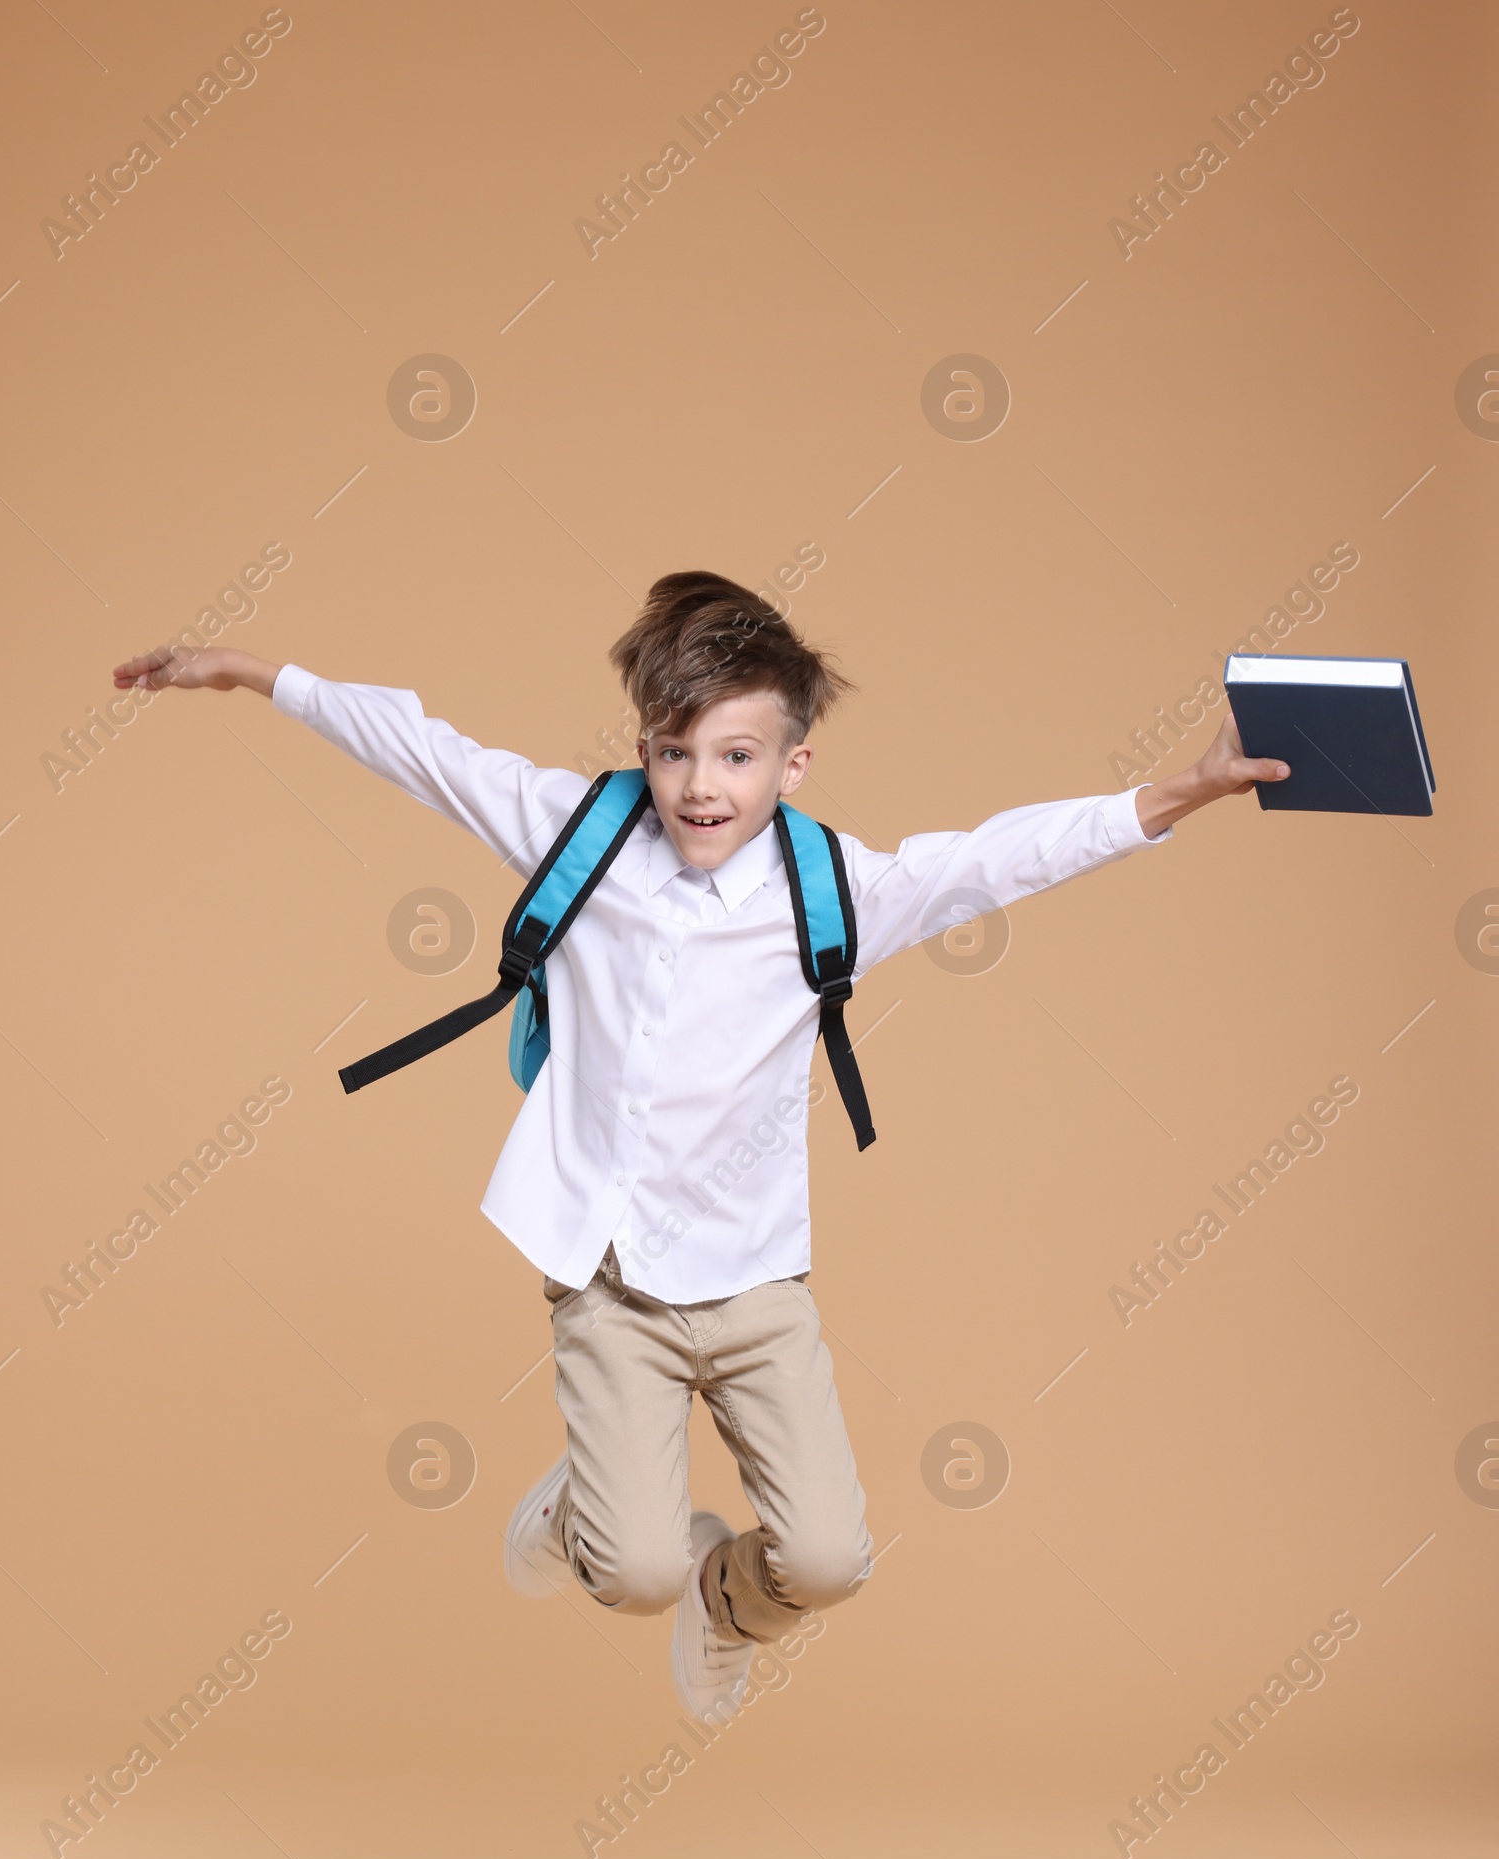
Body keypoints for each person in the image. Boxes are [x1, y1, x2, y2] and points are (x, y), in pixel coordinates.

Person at [113, 571, 1287, 1723]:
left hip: (755, 1280)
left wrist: (1179, 790)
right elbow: (422, 747)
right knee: (629, 1573)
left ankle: (727, 1606)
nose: (698, 786)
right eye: (672, 751)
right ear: (643, 746)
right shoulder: (581, 835)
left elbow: (995, 855)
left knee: (828, 1559)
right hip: (608, 1272)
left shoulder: (839, 891)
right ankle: (592, 1501)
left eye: (734, 756)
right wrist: (257, 675)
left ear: (792, 762)